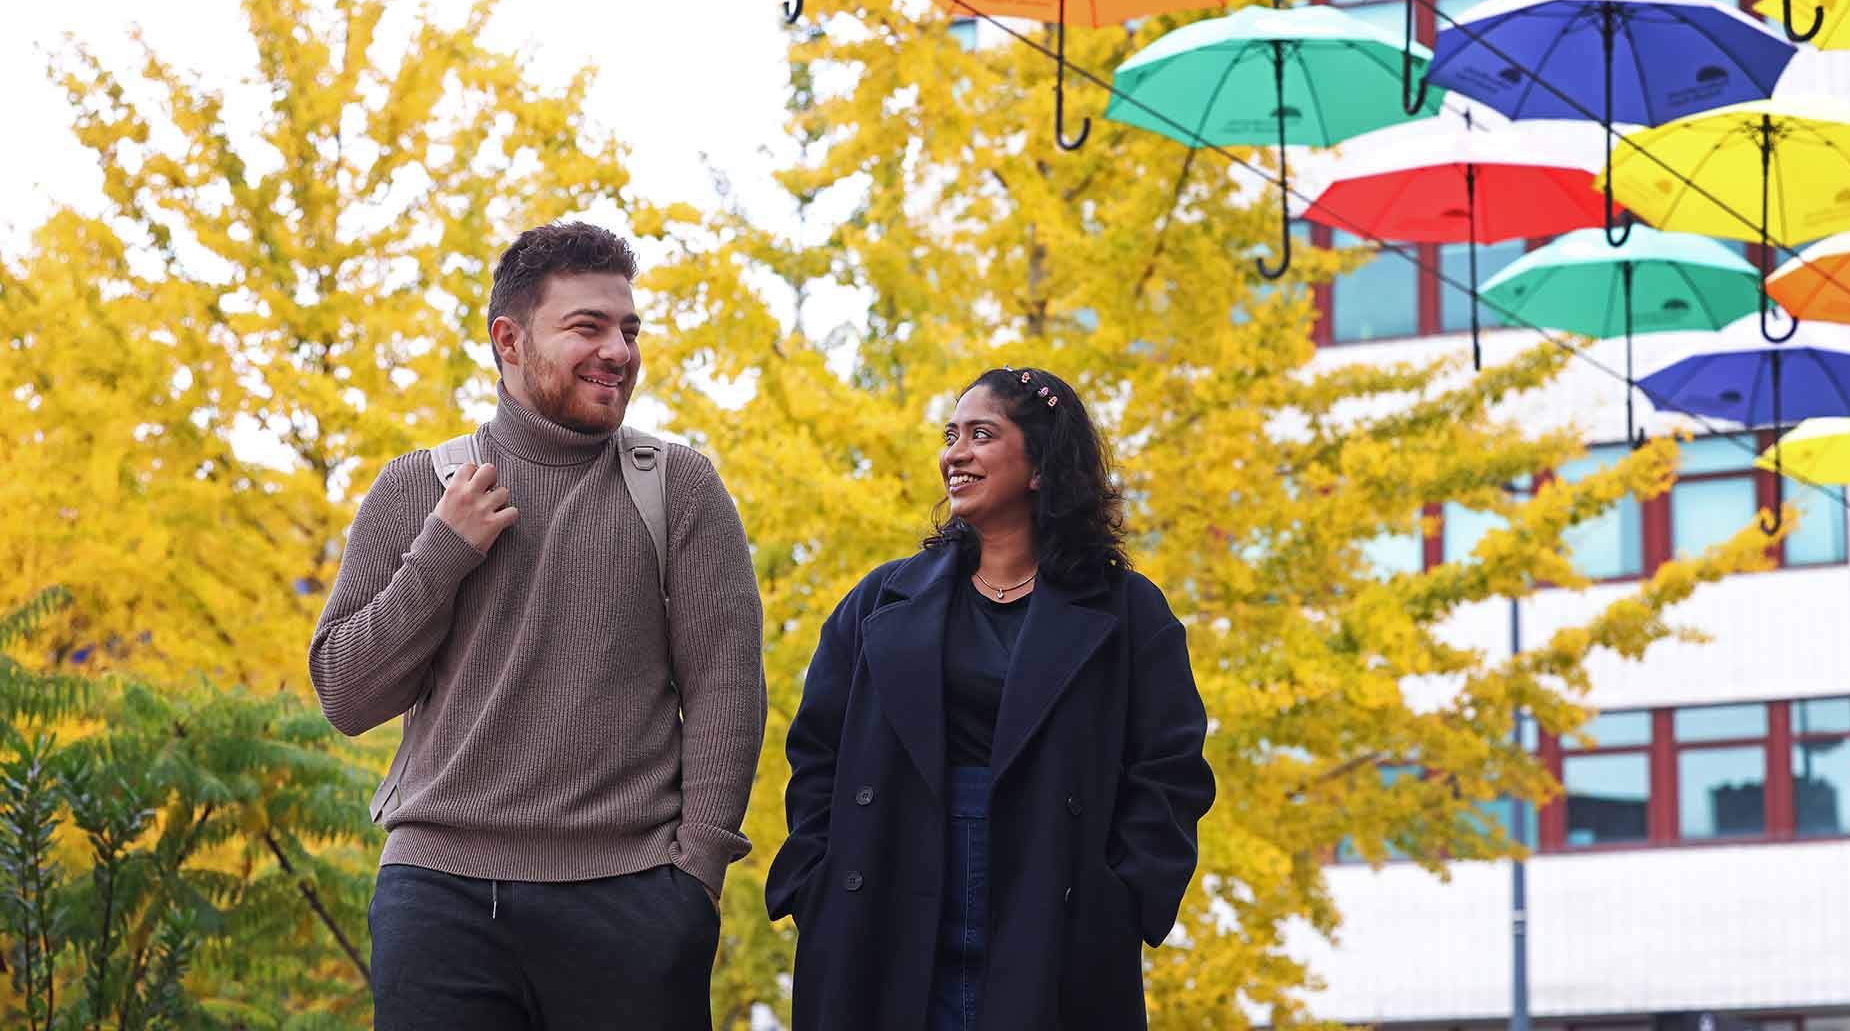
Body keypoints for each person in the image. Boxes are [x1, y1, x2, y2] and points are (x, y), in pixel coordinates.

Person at [310, 221, 766, 1031]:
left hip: (631, 901)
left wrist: (694, 879)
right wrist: (440, 556)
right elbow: (346, 695)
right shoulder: (417, 487)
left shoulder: (681, 488)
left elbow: (727, 687)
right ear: (509, 341)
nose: (618, 351)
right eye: (587, 327)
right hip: (438, 900)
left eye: (629, 329)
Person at [765, 366, 1214, 1031]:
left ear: (1040, 466)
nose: (955, 453)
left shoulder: (1127, 610)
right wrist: (818, 881)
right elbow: (817, 751)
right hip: (886, 893)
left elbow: (1170, 768)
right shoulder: (880, 600)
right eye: (951, 436)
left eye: (981, 434)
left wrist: (1119, 897)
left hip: (1051, 901)